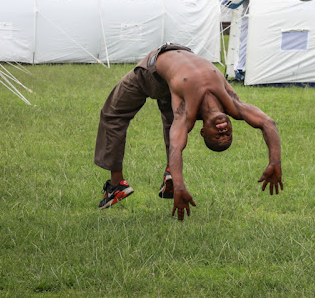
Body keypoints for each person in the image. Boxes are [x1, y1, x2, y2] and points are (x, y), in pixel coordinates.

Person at [94, 43, 283, 220]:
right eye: (228, 134)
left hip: (153, 72)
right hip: (180, 54)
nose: (223, 131)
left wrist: (179, 187)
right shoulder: (233, 105)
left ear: (202, 131)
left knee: (113, 114)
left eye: (218, 136)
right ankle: (170, 173)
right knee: (171, 117)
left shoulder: (186, 114)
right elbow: (268, 123)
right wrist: (275, 162)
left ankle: (116, 185)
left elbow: (177, 147)